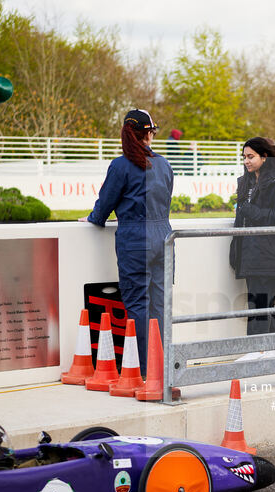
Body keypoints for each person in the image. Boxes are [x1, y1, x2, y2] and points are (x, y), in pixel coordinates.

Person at [83, 109, 172, 372]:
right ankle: (163, 366)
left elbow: (105, 204)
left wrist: (94, 218)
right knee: (161, 304)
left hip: (136, 239)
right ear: (148, 133)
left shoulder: (121, 165)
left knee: (137, 305)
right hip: (165, 237)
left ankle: (144, 370)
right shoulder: (164, 164)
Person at [229, 137, 275, 336]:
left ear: (264, 156)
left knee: (259, 308)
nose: (246, 161)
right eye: (244, 157)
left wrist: (249, 210)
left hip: (270, 255)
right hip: (251, 255)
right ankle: (269, 352)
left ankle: (257, 353)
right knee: (260, 306)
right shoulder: (246, 181)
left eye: (251, 156)